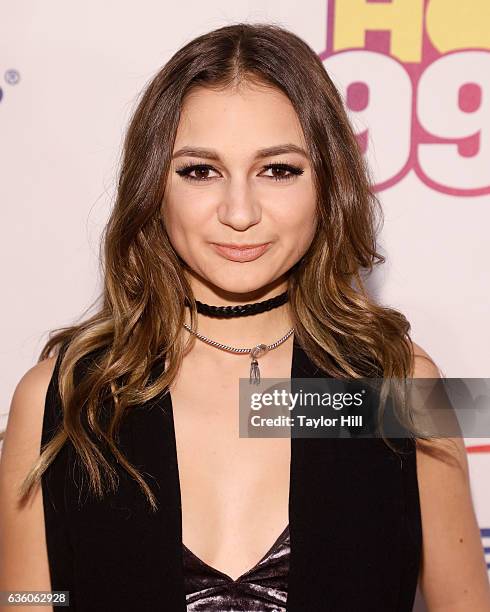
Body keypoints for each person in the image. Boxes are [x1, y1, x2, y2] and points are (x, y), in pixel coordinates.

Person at [1, 22, 489, 612]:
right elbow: (28, 597)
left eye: (278, 169)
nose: (239, 211)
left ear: (328, 185)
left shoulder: (398, 388)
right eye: (200, 171)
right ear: (153, 185)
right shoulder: (67, 397)